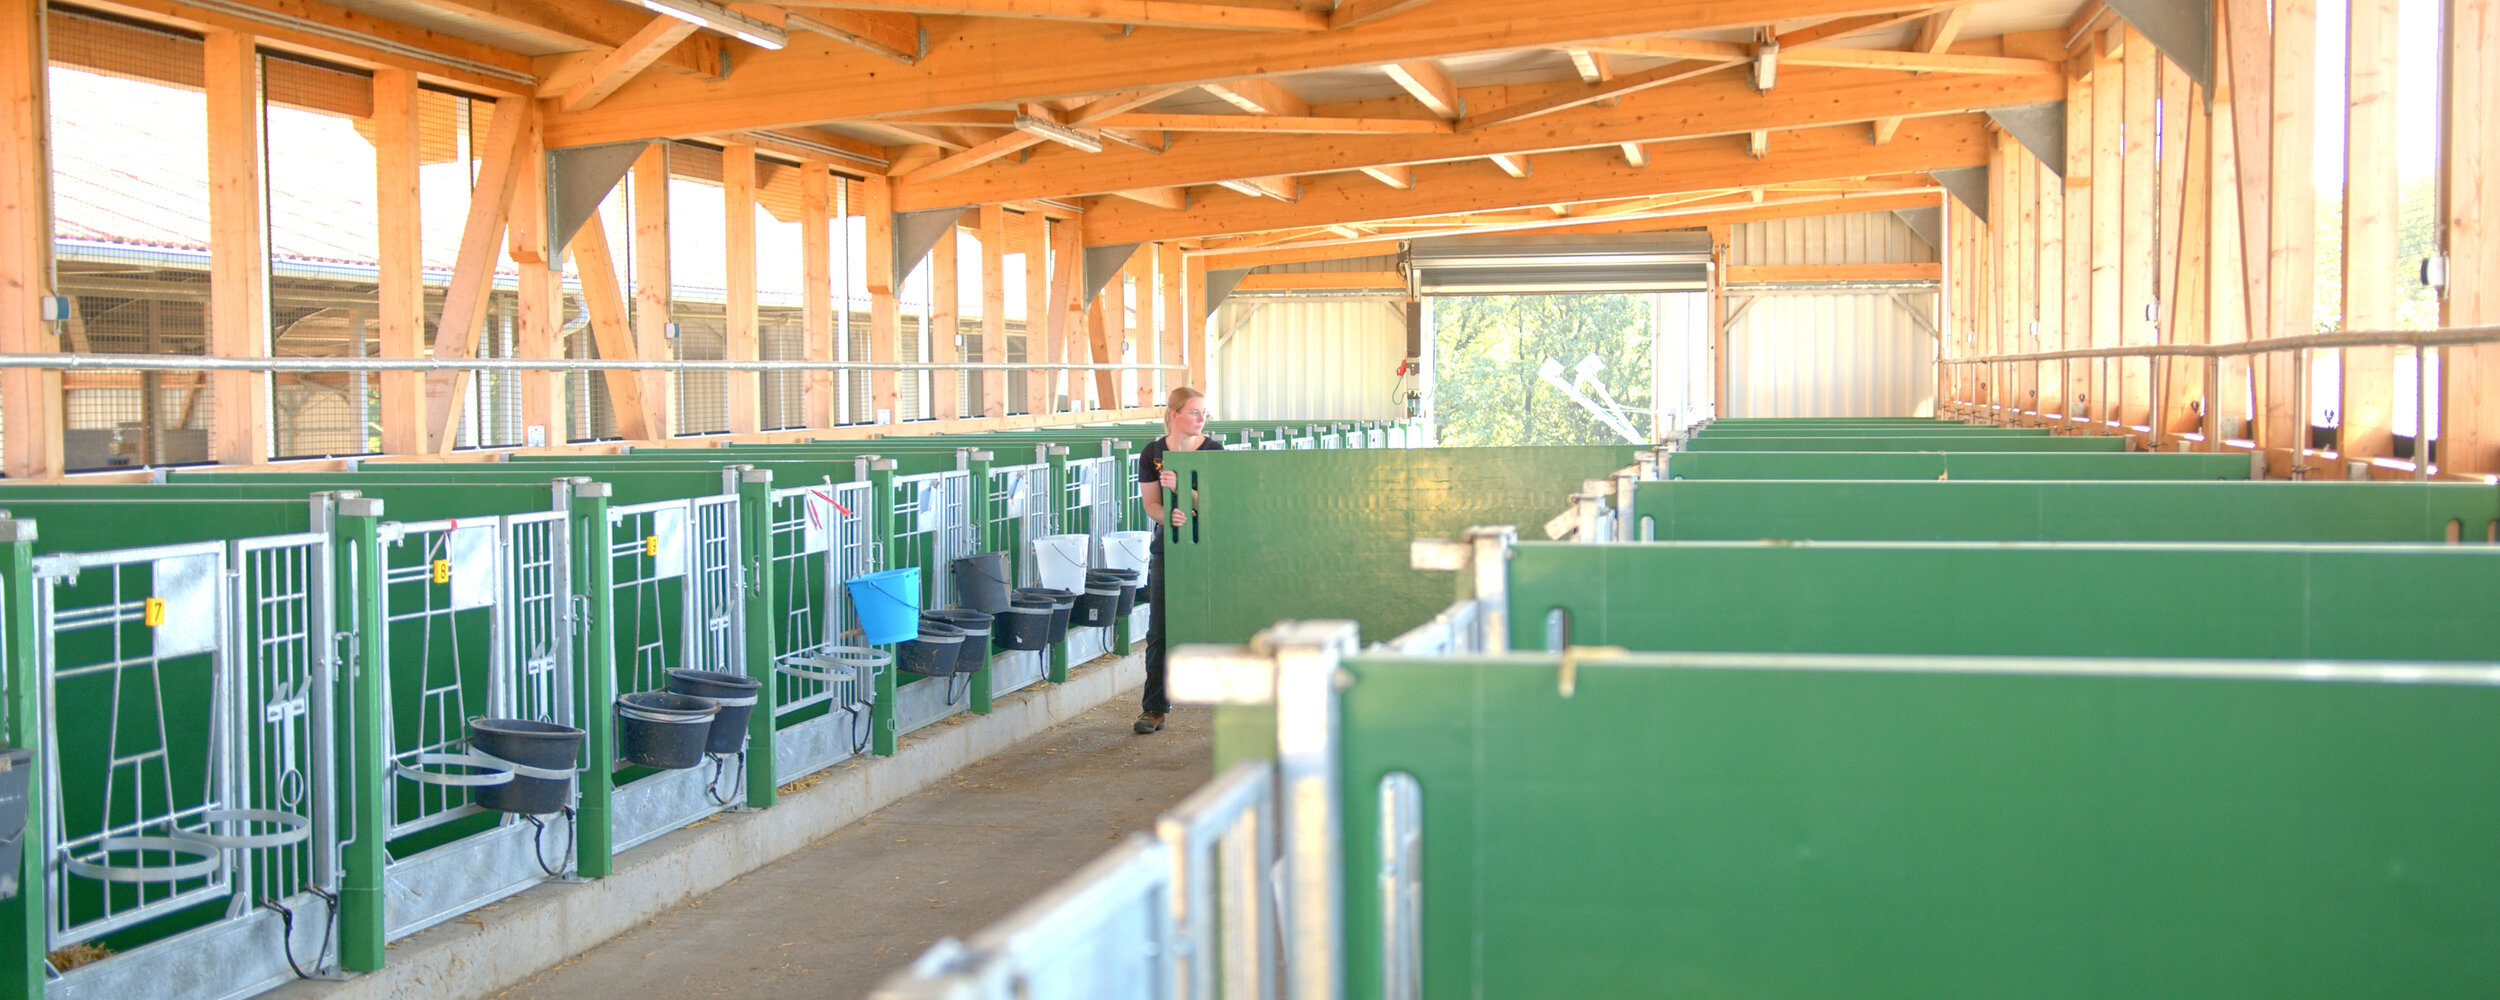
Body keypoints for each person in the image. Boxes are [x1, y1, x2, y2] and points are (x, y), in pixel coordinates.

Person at [1135, 386, 1222, 734]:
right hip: (1169, 544)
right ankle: (1153, 707)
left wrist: (1180, 488)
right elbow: (1151, 504)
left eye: (1204, 413)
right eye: (1194, 412)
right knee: (1159, 627)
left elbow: (1217, 502)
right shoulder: (1152, 452)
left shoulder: (1214, 451)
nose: (1201, 419)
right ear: (1175, 415)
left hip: (1212, 543)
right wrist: (1166, 517)